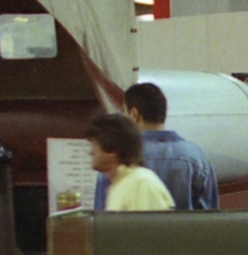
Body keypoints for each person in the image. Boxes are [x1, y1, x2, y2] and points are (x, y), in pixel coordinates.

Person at [94, 82, 219, 210]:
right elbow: (211, 215)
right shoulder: (195, 157)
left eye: (124, 112)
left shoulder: (116, 158)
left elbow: (101, 216)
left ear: (134, 114)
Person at [88, 113, 175, 212]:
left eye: (95, 145)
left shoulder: (140, 184)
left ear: (112, 148)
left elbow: (146, 222)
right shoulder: (119, 185)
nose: (90, 152)